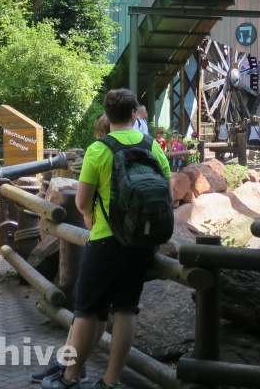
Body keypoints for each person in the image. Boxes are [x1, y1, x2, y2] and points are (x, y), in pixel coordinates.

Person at [39, 88, 171, 389]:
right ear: (134, 113)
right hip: (143, 241)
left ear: (107, 113)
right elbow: (167, 190)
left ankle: (71, 377)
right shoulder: (153, 146)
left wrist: (92, 217)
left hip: (107, 240)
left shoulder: (100, 149)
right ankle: (111, 381)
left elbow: (82, 202)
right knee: (126, 308)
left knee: (86, 309)